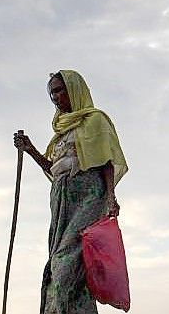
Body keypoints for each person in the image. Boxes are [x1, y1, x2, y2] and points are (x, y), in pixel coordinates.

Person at [13, 70, 128, 314]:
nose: (55, 96)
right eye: (52, 92)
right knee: (65, 267)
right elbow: (53, 170)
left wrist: (110, 198)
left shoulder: (95, 120)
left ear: (74, 89)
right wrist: (30, 148)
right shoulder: (61, 131)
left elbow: (105, 161)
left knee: (65, 262)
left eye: (60, 89)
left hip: (89, 196)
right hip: (61, 199)